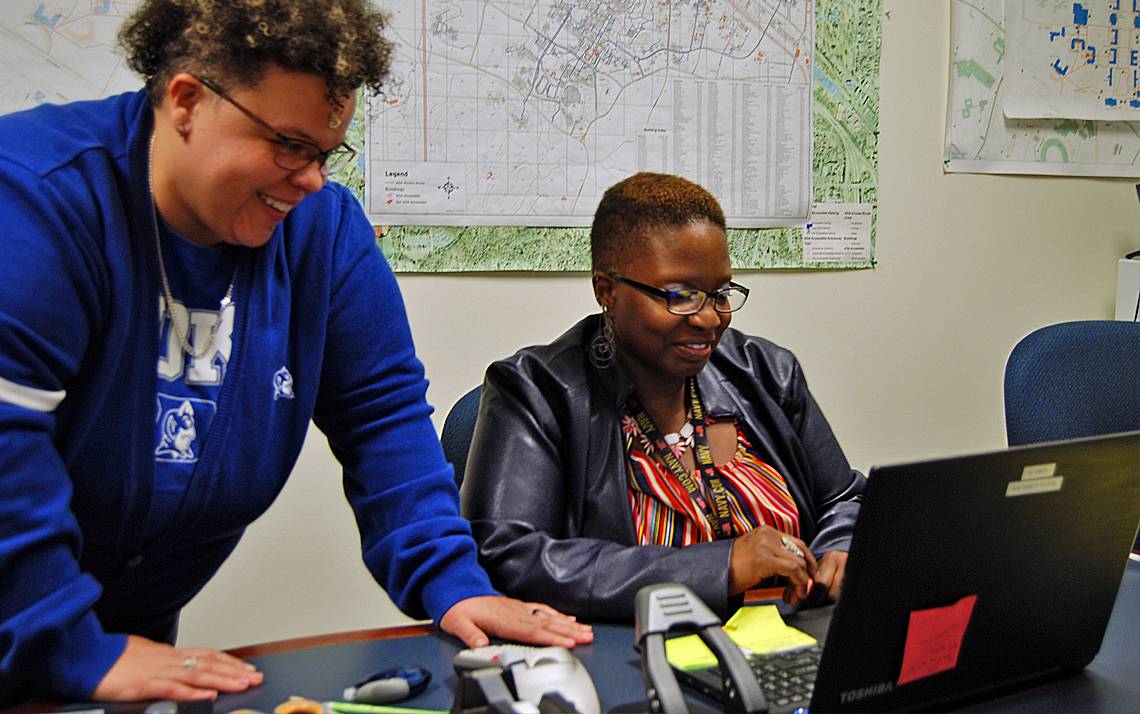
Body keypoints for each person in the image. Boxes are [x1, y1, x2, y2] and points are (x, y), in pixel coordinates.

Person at [0, 0, 590, 705]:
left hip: (119, 641)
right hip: (44, 624)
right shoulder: (33, 200)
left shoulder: (321, 234)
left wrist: (452, 581)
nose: (312, 179)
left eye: (326, 153)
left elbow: (383, 421)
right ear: (187, 101)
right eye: (289, 144)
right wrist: (65, 643)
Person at [461, 172, 866, 622]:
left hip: (789, 641)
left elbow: (844, 498)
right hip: (629, 656)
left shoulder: (766, 373)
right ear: (606, 291)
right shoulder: (537, 392)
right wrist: (720, 566)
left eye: (720, 293)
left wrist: (840, 548)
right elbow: (508, 556)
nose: (709, 318)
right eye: (680, 295)